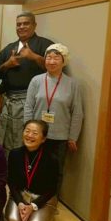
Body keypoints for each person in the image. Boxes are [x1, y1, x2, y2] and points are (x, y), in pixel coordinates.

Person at [24, 44, 83, 192]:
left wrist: (72, 137)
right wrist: (28, 130)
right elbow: (28, 106)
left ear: (64, 61)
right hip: (36, 135)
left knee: (56, 170)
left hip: (60, 136)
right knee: (33, 166)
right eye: (48, 57)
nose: (51, 61)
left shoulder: (72, 84)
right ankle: (31, 196)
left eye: (56, 58)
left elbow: (77, 112)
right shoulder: (36, 80)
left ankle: (51, 200)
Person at [0, 12, 54, 154]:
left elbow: (55, 69)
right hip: (9, 100)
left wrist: (34, 57)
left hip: (33, 102)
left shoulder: (46, 45)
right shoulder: (10, 47)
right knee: (5, 138)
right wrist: (7, 64)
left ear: (34, 25)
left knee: (27, 138)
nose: (21, 27)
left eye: (26, 23)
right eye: (19, 24)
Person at [4, 120, 58, 221]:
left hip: (42, 198)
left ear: (43, 139)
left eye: (35, 133)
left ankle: (51, 211)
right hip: (20, 195)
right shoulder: (14, 154)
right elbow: (11, 182)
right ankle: (25, 212)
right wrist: (20, 202)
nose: (29, 135)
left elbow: (52, 189)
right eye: (27, 131)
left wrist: (33, 206)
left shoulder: (52, 159)